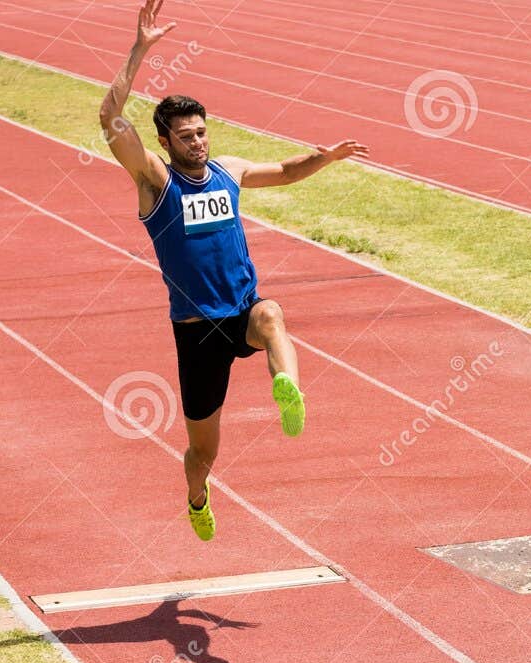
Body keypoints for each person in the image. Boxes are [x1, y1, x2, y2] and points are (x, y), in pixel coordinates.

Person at [99, 0, 368, 540]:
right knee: (203, 453)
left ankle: (287, 387)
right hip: (197, 333)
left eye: (202, 131)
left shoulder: (230, 172)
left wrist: (327, 158)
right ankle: (197, 496)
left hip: (241, 310)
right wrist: (139, 50)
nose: (198, 141)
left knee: (272, 313)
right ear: (165, 142)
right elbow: (110, 120)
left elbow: (288, 170)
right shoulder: (156, 182)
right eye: (187, 135)